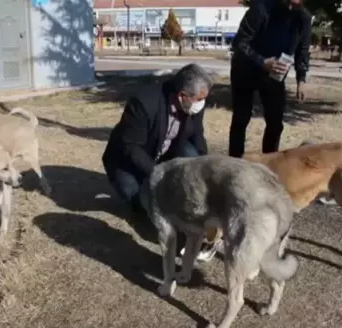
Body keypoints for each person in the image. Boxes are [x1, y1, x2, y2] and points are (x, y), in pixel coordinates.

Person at [102, 63, 221, 261]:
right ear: (182, 95)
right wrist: (160, 174)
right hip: (128, 161)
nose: (202, 104)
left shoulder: (194, 103)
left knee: (191, 154)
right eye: (198, 99)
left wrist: (204, 168)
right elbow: (130, 147)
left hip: (165, 152)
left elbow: (197, 135)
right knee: (138, 198)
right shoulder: (144, 103)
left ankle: (187, 208)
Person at [228, 0, 312, 158]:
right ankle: (235, 161)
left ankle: (270, 162)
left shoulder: (304, 18)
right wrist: (261, 62)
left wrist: (301, 79)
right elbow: (240, 42)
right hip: (245, 68)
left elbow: (303, 50)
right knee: (241, 118)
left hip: (275, 72)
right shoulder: (261, 8)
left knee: (275, 123)